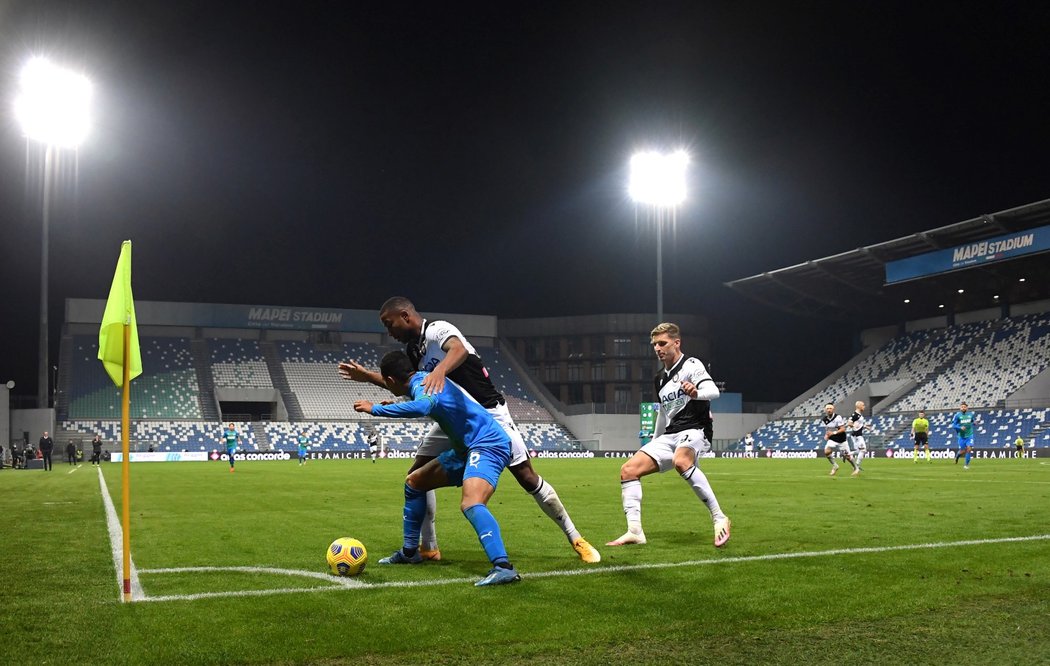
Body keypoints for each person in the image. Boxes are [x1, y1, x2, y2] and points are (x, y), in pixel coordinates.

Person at [339, 296, 599, 563]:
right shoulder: (413, 353)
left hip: (489, 414)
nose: (389, 331)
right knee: (416, 476)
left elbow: (458, 350)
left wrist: (439, 371)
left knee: (526, 476)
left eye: (389, 323)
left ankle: (576, 538)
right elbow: (406, 384)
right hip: (454, 420)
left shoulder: (437, 330)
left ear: (405, 316)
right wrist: (367, 376)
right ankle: (428, 548)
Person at [354, 350, 520, 586]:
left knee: (471, 502)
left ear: (391, 381)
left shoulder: (423, 384)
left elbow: (423, 406)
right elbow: (429, 403)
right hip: (467, 449)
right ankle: (410, 552)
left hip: (488, 444)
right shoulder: (423, 380)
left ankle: (503, 567)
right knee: (414, 482)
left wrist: (376, 409)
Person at [607, 322, 731, 548]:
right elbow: (663, 414)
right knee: (628, 470)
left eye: (662, 343)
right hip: (671, 433)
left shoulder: (691, 365)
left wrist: (696, 393)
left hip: (696, 428)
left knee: (681, 461)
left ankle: (719, 517)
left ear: (677, 343)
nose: (657, 348)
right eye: (654, 344)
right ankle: (635, 531)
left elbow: (713, 392)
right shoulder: (659, 379)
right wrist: (654, 444)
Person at [822, 404, 859, 477]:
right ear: (825, 410)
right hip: (832, 439)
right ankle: (835, 466)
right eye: (827, 408)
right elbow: (828, 429)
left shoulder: (838, 417)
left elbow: (843, 429)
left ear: (833, 409)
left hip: (841, 440)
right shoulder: (824, 419)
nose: (829, 410)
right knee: (827, 451)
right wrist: (826, 435)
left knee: (847, 457)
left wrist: (833, 432)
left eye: (830, 408)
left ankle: (856, 468)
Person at [950, 402, 976, 469]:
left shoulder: (971, 415)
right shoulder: (957, 415)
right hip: (961, 436)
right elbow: (953, 425)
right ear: (960, 408)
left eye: (964, 407)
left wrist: (974, 423)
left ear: (967, 408)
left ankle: (966, 465)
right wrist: (960, 428)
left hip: (970, 435)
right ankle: (957, 458)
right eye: (962, 407)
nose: (963, 408)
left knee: (969, 449)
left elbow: (973, 421)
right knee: (962, 451)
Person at [847, 400, 868, 471]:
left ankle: (848, 454)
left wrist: (865, 426)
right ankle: (856, 466)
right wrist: (853, 425)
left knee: (858, 451)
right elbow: (849, 423)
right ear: (859, 406)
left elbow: (859, 424)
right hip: (857, 435)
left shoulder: (859, 415)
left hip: (857, 435)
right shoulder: (855, 415)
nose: (864, 406)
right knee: (863, 450)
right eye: (863, 405)